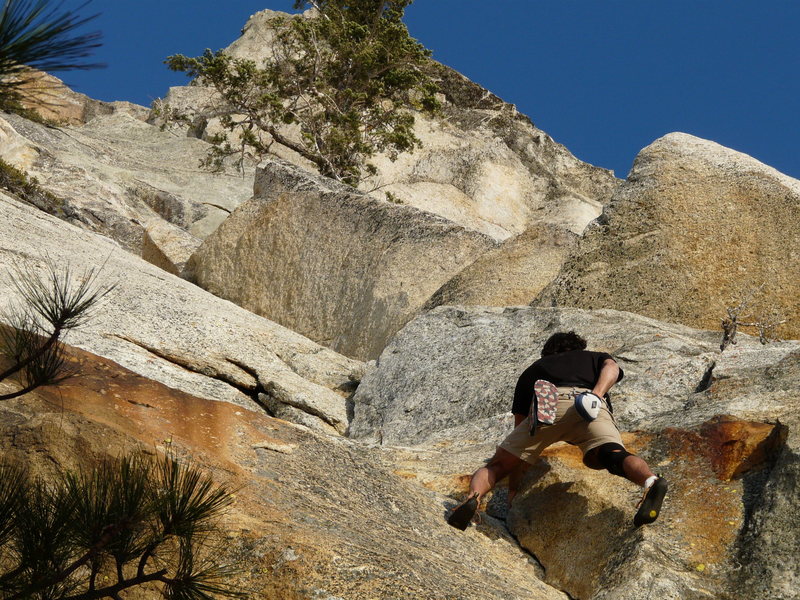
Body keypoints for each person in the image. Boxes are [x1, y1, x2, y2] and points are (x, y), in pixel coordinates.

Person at [447, 331, 667, 530]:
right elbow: (612, 369)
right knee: (612, 455)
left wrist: (514, 485)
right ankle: (650, 481)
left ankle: (472, 498)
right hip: (590, 404)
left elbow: (520, 426)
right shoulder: (594, 357)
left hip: (549, 403)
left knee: (496, 466)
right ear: (579, 347)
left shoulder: (535, 369)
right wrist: (596, 395)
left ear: (547, 352)